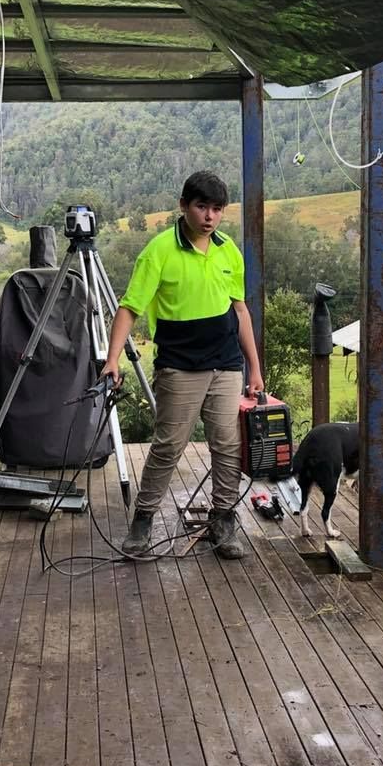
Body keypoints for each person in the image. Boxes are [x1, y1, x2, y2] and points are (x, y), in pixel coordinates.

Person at [101, 171, 263, 559]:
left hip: (226, 365)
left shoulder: (228, 252)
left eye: (217, 209)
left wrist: (253, 368)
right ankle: (143, 521)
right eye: (201, 206)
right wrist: (112, 359)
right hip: (180, 367)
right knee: (169, 446)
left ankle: (223, 521)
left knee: (227, 446)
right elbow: (129, 308)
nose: (209, 216)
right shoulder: (158, 251)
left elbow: (240, 311)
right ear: (184, 206)